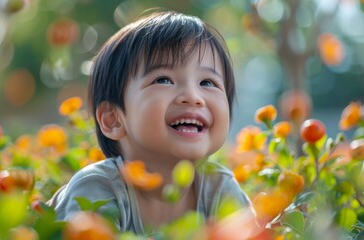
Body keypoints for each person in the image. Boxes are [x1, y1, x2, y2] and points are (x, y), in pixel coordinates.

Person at [48, 11, 252, 235]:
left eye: (207, 82)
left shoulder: (219, 189)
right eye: (163, 79)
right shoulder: (96, 188)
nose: (193, 96)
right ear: (113, 119)